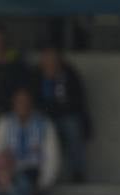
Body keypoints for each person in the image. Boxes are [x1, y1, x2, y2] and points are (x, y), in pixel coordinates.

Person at [0, 86, 60, 191]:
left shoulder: (44, 124)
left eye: (26, 101)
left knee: (19, 184)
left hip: (31, 172)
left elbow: (52, 158)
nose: (23, 104)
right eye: (19, 101)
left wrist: (43, 183)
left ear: (32, 103)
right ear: (13, 103)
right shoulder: (4, 123)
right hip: (6, 172)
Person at [36, 45, 91, 183]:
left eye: (53, 59)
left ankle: (77, 172)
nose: (50, 63)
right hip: (42, 118)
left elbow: (76, 103)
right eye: (47, 59)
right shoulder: (35, 76)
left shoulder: (69, 75)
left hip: (65, 117)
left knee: (72, 127)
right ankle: (40, 174)